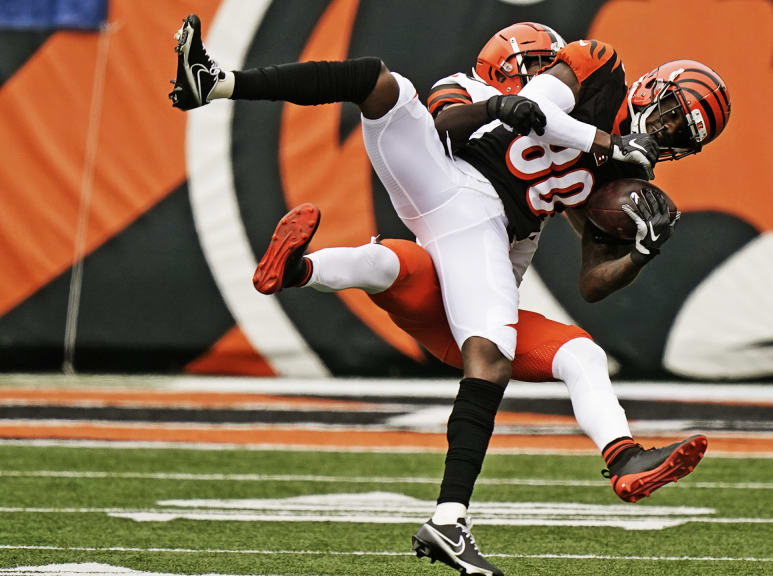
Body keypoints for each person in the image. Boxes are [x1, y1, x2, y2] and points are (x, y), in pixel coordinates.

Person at [169, 14, 729, 576]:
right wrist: (604, 141)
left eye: (685, 136)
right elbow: (536, 109)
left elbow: (590, 281)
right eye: (675, 114)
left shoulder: (620, 174)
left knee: (544, 337)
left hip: (470, 256)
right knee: (378, 83)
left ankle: (299, 269)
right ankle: (215, 81)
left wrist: (640, 252)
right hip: (462, 197)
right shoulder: (592, 67)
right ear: (653, 86)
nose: (670, 134)